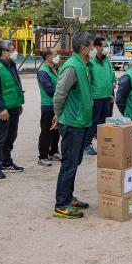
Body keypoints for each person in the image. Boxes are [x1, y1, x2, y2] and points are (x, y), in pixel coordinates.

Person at [51, 32, 95, 219]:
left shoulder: (83, 65)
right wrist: (59, 116)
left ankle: (68, 197)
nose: (94, 49)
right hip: (72, 123)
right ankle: (61, 204)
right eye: (92, 46)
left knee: (74, 162)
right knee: (68, 164)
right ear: (84, 47)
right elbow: (59, 95)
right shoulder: (71, 66)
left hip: (82, 122)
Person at [0, 40, 25, 179]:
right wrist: (1, 109)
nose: (15, 52)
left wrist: (19, 104)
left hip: (14, 108)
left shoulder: (11, 65)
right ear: (3, 52)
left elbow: (15, 86)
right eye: (12, 49)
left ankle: (6, 162)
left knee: (10, 137)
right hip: (1, 111)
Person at [87, 37, 116, 155]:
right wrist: (90, 98)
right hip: (96, 98)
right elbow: (87, 81)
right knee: (93, 123)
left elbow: (112, 75)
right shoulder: (90, 62)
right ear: (97, 47)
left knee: (104, 123)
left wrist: (112, 89)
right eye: (104, 46)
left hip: (107, 97)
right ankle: (87, 144)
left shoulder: (107, 61)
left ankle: (103, 143)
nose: (106, 48)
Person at [36, 49, 61, 167]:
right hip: (48, 106)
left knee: (56, 131)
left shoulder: (55, 69)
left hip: (57, 105)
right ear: (48, 57)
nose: (57, 57)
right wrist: (62, 93)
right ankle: (42, 156)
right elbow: (49, 89)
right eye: (55, 55)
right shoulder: (43, 72)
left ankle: (54, 151)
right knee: (46, 131)